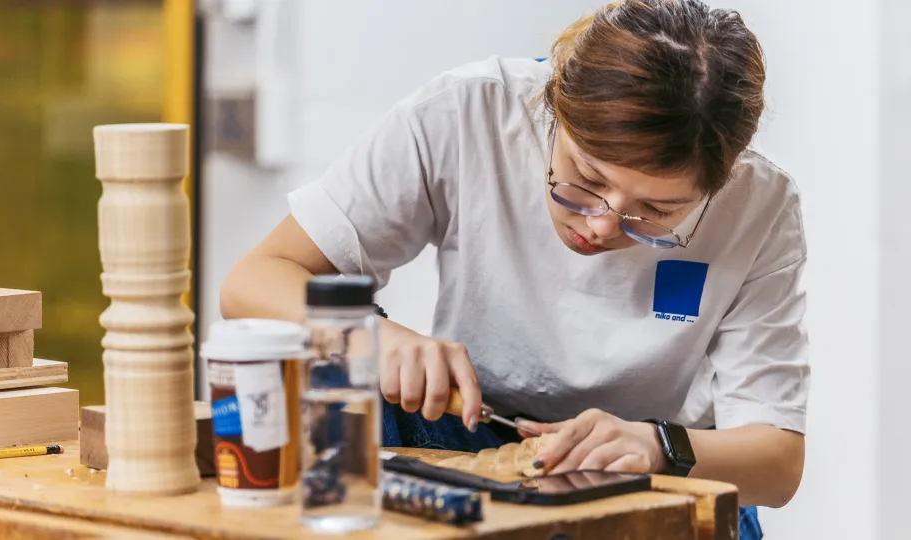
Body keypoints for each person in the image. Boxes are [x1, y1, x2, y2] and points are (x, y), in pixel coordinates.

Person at [220, 1, 809, 537]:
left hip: (651, 460)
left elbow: (776, 462)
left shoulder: (761, 204)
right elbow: (255, 281)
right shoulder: (465, 113)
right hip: (464, 428)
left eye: (656, 212)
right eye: (587, 179)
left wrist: (655, 445)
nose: (603, 225)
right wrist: (373, 337)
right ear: (554, 105)